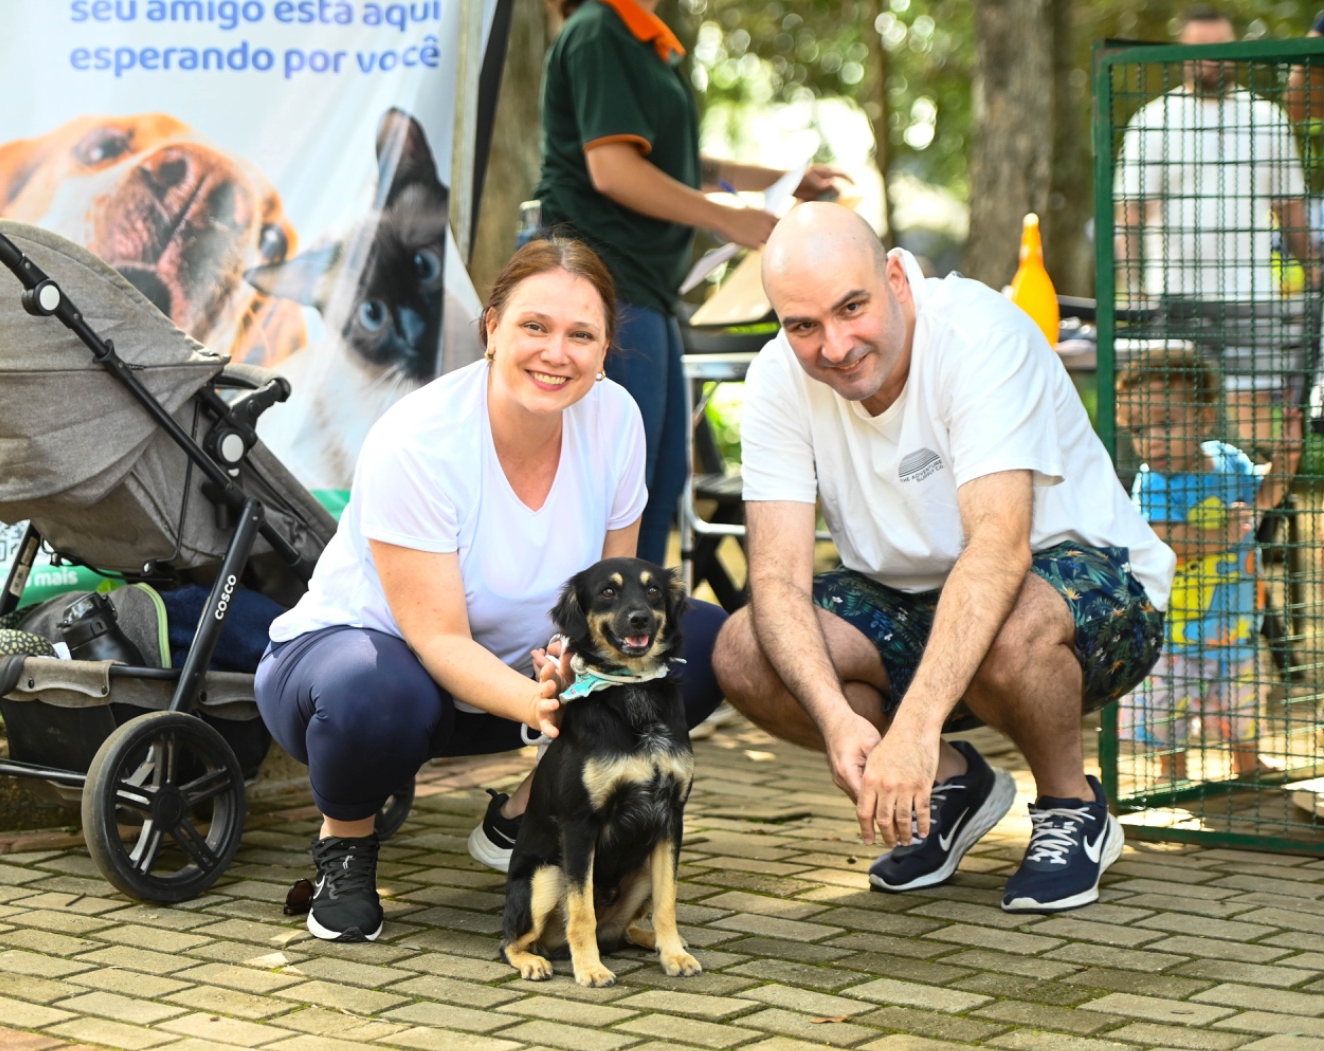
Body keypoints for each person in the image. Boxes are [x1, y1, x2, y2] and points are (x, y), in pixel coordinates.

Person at [254, 236, 727, 942]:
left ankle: (528, 817)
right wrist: (545, 702)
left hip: (522, 681)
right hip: (363, 671)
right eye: (535, 326)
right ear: (492, 328)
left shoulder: (617, 418)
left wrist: (580, 668)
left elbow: (619, 595)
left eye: (581, 335)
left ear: (604, 351)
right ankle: (345, 845)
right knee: (377, 692)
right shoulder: (418, 440)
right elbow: (437, 638)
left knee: (701, 643)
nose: (556, 353)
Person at [712, 203, 1175, 914]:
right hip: (912, 602)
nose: (835, 346)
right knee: (745, 648)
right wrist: (836, 719)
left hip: (1083, 584)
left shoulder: (980, 333)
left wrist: (913, 729)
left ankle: (1072, 805)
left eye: (852, 307)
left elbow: (998, 546)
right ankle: (956, 786)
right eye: (803, 325)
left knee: (1005, 619)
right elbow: (775, 577)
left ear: (896, 279)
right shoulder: (777, 377)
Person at [534, 0, 845, 567]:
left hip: (648, 287)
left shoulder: (648, 43)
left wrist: (781, 180)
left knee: (664, 478)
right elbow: (613, 169)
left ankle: (641, 613)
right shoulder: (598, 30)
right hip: (602, 284)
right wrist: (727, 218)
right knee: (626, 479)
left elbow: (677, 162)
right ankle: (609, 618)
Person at [1116, 5, 1316, 461]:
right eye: (1200, 49)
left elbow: (1290, 208)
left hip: (1251, 294)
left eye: (1220, 48)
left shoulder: (1266, 118)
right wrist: (1133, 284)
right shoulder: (1153, 120)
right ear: (1181, 53)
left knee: (1253, 419)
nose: (1211, 58)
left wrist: (1313, 268)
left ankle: (1259, 503)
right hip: (1174, 295)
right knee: (1170, 413)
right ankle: (1172, 507)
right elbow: (1130, 213)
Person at [1116, 352, 1296, 781]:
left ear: (1204, 418)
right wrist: (1222, 537)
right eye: (1139, 430)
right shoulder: (1154, 481)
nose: (1151, 441)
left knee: (1243, 701)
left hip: (1234, 624)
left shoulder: (1229, 460)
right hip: (1175, 632)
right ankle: (1172, 772)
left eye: (1166, 424)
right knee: (1166, 708)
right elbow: (1161, 538)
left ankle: (1248, 765)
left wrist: (1288, 453)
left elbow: (1265, 496)